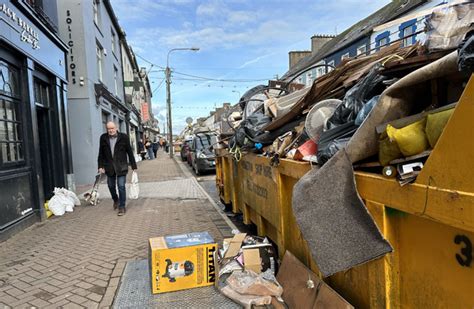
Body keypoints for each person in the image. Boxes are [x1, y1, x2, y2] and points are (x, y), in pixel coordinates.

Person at [98, 121, 137, 216]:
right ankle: (116, 199)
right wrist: (100, 166)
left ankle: (122, 206)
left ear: (116, 128)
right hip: (109, 166)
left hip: (121, 166)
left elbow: (129, 152)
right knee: (111, 186)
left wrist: (133, 165)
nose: (110, 130)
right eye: (108, 129)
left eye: (112, 128)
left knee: (121, 186)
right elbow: (101, 153)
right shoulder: (103, 138)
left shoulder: (124, 137)